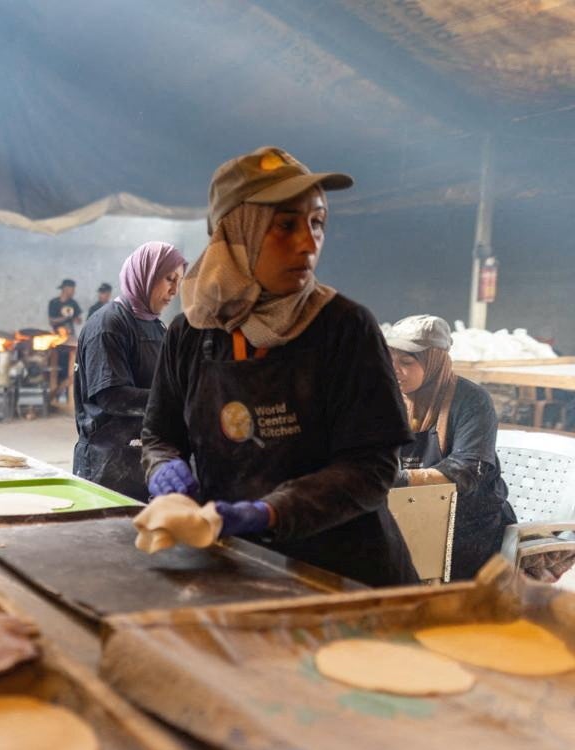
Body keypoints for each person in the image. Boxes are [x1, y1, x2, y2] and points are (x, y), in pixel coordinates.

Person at [141, 146, 417, 587]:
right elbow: (160, 434)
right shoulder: (191, 333)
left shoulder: (344, 328)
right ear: (236, 232)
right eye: (286, 225)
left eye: (317, 223)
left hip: (342, 575)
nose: (308, 243)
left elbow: (372, 466)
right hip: (237, 562)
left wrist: (269, 511)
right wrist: (163, 468)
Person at [386, 314, 516, 580]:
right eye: (390, 359)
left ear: (434, 361)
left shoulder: (471, 401)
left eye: (407, 362)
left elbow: (466, 470)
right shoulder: (390, 399)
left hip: (468, 522)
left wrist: (401, 479)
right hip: (413, 510)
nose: (394, 369)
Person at [73, 243, 185, 500]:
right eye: (169, 279)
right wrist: (175, 399)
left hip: (143, 457)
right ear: (146, 274)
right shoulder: (109, 324)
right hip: (108, 462)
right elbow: (113, 396)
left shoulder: (157, 327)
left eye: (178, 281)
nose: (174, 290)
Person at [48, 278, 83, 400]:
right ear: (65, 289)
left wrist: (75, 318)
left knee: (72, 366)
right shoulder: (54, 303)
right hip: (57, 339)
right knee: (57, 366)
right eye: (72, 289)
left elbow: (79, 320)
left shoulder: (73, 303)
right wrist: (65, 318)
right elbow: (52, 320)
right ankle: (55, 394)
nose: (73, 292)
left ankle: (68, 395)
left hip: (70, 340)